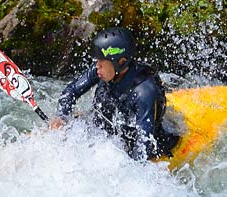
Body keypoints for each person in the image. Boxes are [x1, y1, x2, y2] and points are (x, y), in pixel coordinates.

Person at [49, 27, 180, 160]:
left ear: (121, 62)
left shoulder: (144, 92)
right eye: (97, 60)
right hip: (104, 128)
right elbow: (71, 91)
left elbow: (143, 145)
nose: (97, 66)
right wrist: (61, 116)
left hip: (131, 144)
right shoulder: (102, 69)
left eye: (102, 61)